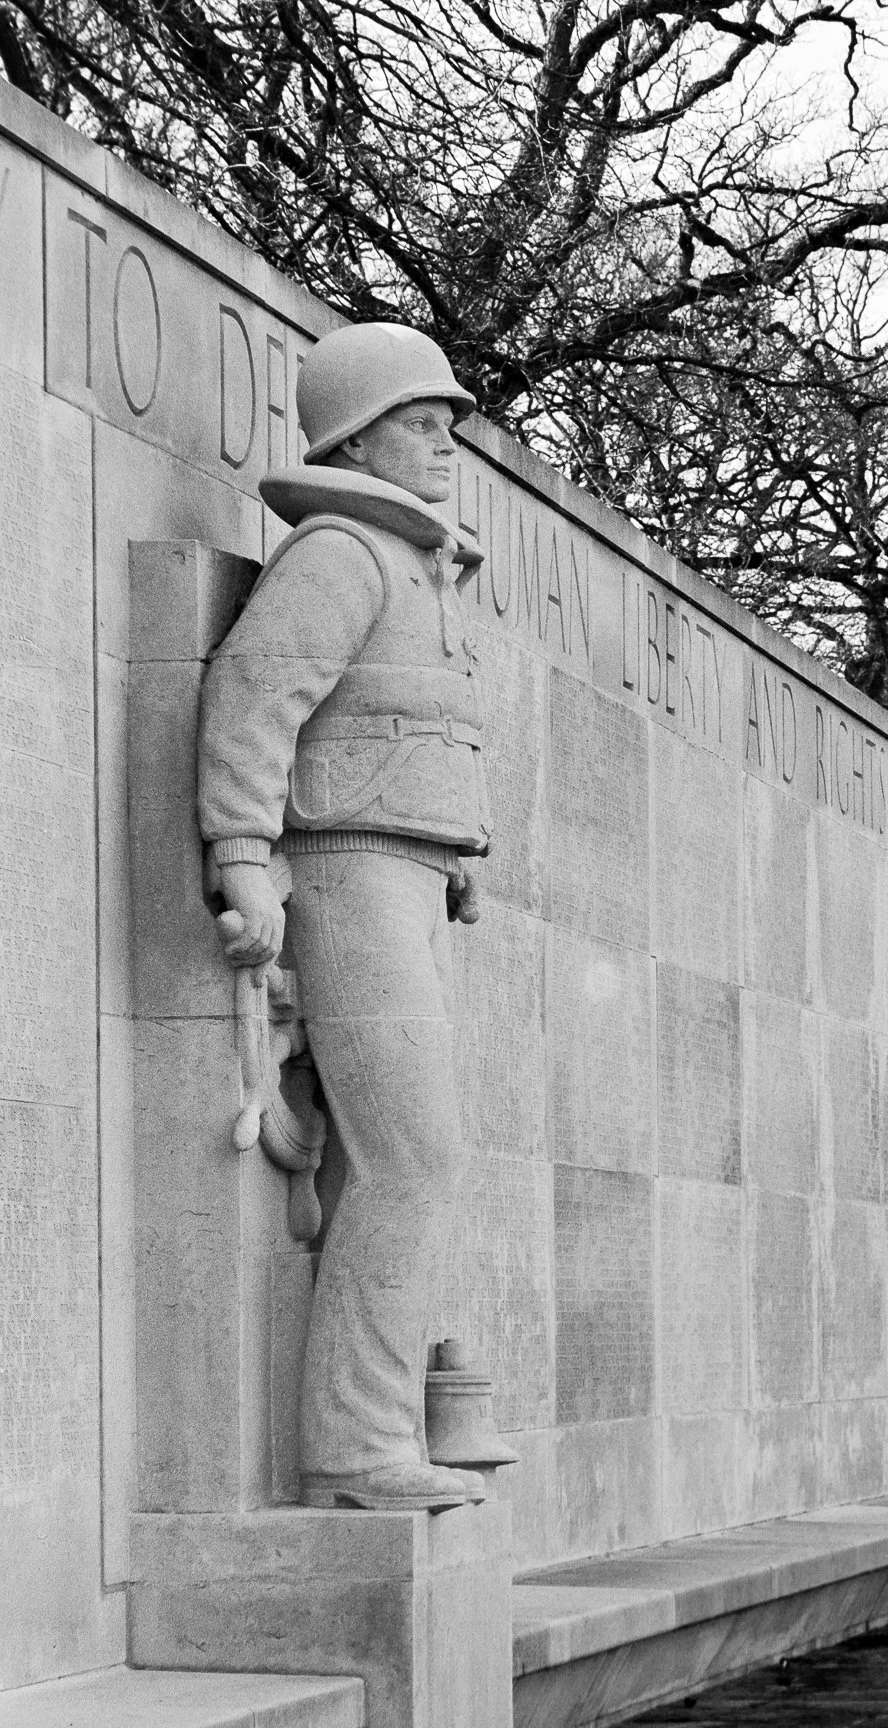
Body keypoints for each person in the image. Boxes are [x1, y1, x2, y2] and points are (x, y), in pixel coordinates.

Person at [198, 321, 489, 1511]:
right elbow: (253, 696)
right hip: (347, 875)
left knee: (409, 1158)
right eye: (421, 423)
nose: (445, 444)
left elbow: (417, 727)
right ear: (356, 439)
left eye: (447, 424)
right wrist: (241, 853)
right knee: (414, 1158)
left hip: (409, 877)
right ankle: (360, 1450)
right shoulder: (343, 551)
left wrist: (459, 854)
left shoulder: (419, 567)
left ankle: (380, 1434)